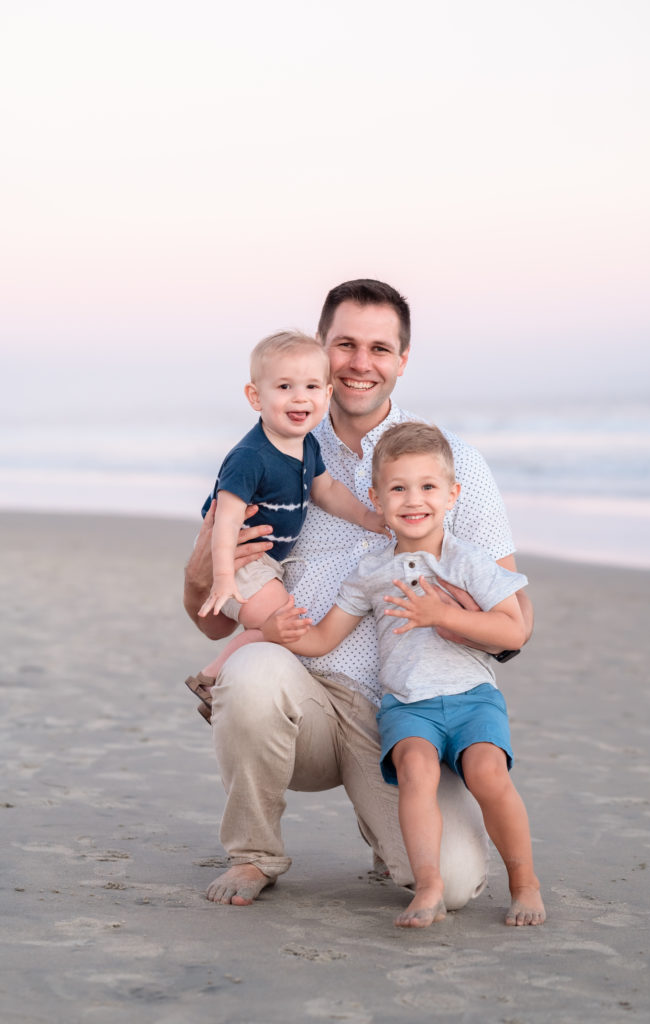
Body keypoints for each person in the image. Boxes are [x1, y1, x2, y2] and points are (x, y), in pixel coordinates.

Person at [183, 279, 534, 911]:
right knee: (253, 670)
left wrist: (448, 617)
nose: (359, 363)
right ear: (321, 349)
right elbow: (210, 619)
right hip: (310, 699)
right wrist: (199, 572)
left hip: (414, 712)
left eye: (379, 347)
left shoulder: (449, 466)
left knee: (452, 887)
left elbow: (517, 620)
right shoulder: (270, 455)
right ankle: (254, 854)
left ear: (402, 360)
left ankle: (388, 828)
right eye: (344, 344)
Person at [262, 421, 545, 927]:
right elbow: (325, 637)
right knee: (416, 770)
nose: (414, 500)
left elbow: (513, 631)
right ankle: (429, 885)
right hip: (407, 705)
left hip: (471, 697)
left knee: (487, 773)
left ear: (452, 495)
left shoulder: (468, 562)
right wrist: (276, 629)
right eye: (398, 488)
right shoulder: (372, 571)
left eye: (428, 487)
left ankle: (525, 884)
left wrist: (444, 618)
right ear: (376, 496)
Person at [185, 329, 388, 717]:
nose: (299, 397)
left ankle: (216, 681)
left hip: (267, 564)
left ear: (327, 395)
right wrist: (224, 577)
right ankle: (212, 680)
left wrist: (368, 517)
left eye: (311, 386)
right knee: (290, 630)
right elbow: (226, 520)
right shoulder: (250, 457)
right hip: (241, 563)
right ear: (255, 397)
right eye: (284, 386)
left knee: (273, 632)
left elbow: (325, 489)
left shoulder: (306, 442)